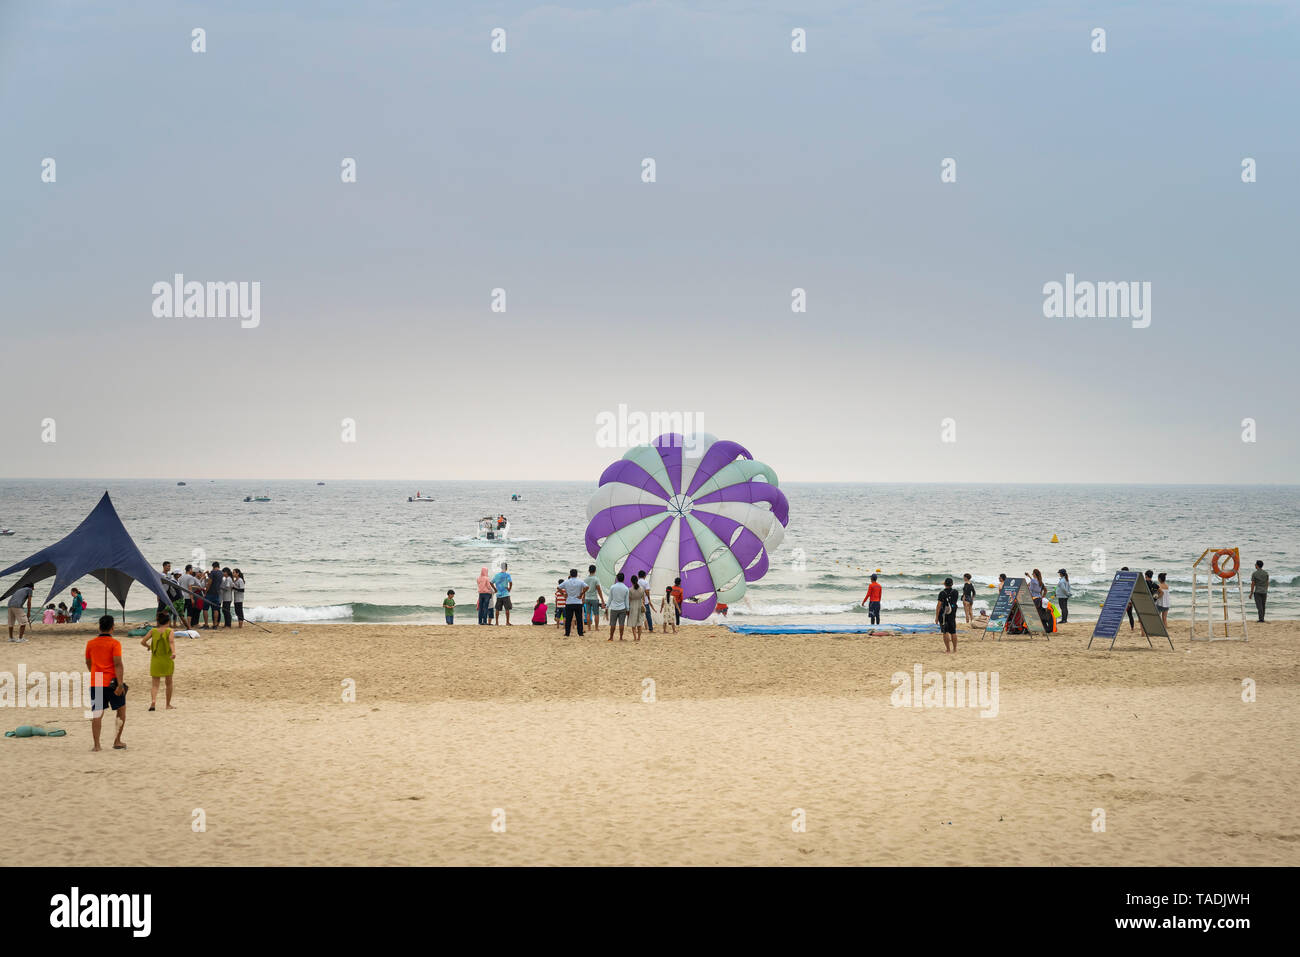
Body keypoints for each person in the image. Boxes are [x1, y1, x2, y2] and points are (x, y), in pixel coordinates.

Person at [85, 614, 127, 751]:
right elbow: (118, 664)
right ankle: (117, 741)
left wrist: (96, 673)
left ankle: (97, 745)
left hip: (96, 680)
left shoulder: (91, 643)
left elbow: (88, 663)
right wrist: (120, 684)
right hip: (112, 682)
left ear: (99, 627)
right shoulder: (115, 643)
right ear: (112, 628)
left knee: (97, 713)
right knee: (121, 710)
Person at [140, 610, 176, 711]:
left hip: (155, 660)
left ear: (159, 622)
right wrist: (173, 653)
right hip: (167, 660)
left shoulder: (153, 631)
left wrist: (149, 646)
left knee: (155, 684)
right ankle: (168, 705)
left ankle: (153, 702)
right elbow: (171, 642)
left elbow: (142, 642)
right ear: (168, 621)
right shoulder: (170, 631)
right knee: (168, 683)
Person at [936, 577, 960, 653]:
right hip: (952, 613)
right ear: (952, 584)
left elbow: (939, 605)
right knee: (953, 631)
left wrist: (936, 617)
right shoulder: (955, 592)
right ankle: (955, 649)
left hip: (943, 615)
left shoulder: (942, 593)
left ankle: (948, 649)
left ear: (944, 584)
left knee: (945, 632)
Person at [562, 568, 587, 637]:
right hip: (578, 603)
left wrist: (563, 594)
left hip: (569, 603)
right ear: (577, 574)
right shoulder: (580, 581)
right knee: (579, 619)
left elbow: (558, 587)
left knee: (568, 619)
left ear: (570, 574)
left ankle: (567, 633)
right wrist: (582, 594)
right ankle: (580, 633)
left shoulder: (566, 582)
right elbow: (587, 587)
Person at [607, 572, 630, 642]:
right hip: (622, 608)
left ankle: (611, 637)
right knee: (621, 623)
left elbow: (610, 598)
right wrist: (628, 609)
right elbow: (627, 600)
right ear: (623, 579)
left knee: (612, 624)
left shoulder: (612, 587)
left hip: (614, 608)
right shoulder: (626, 588)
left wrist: (607, 606)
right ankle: (620, 637)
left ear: (617, 579)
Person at [583, 565, 605, 629]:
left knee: (588, 613)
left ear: (588, 571)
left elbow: (584, 590)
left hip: (587, 598)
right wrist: (602, 599)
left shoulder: (585, 579)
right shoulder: (596, 579)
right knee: (596, 614)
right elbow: (599, 590)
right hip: (594, 598)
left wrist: (583, 598)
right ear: (595, 570)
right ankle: (596, 628)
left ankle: (589, 627)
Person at [628, 574, 647, 641]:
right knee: (639, 623)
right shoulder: (642, 589)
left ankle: (635, 637)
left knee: (633, 623)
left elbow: (629, 600)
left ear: (631, 581)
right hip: (640, 605)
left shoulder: (630, 590)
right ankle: (639, 637)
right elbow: (643, 599)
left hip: (633, 606)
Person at [205, 562, 223, 628]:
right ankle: (215, 624)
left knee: (205, 609)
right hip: (217, 593)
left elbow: (209, 583)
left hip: (210, 593)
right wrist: (209, 574)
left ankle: (206, 624)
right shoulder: (221, 573)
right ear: (218, 566)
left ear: (213, 566)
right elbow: (216, 580)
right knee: (215, 609)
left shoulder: (213, 572)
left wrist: (205, 591)